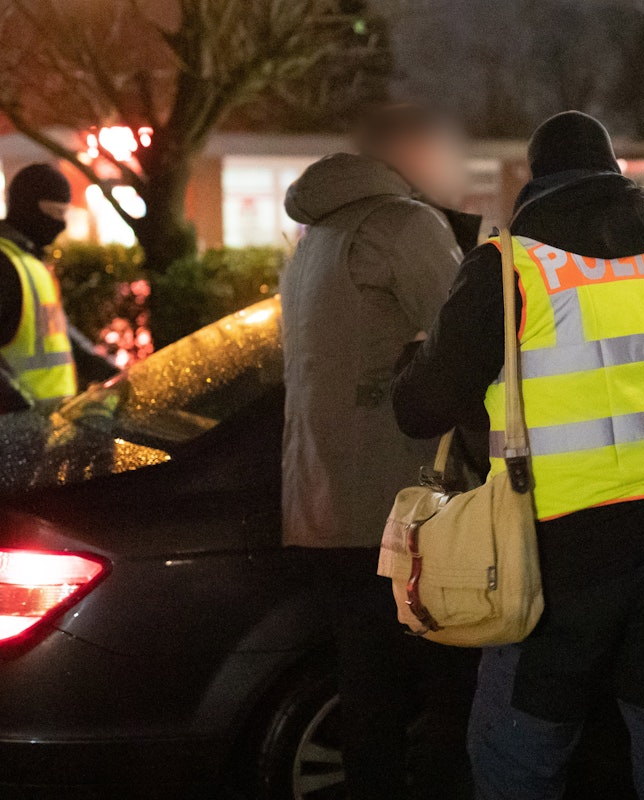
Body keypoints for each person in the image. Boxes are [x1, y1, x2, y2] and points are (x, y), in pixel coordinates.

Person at [392, 111, 644, 800]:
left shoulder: (510, 269)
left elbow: (418, 409)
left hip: (558, 555)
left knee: (519, 760)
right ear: (614, 172)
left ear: (535, 181)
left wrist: (421, 351)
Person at [280, 104, 482, 800]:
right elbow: (460, 337)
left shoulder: (318, 236)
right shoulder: (402, 225)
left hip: (322, 501)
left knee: (368, 688)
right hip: (399, 502)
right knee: (452, 681)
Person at [0, 163, 116, 430]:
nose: (61, 224)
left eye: (65, 213)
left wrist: (116, 375)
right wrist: (20, 406)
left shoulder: (28, 261)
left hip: (36, 432)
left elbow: (60, 336)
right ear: (28, 208)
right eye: (54, 213)